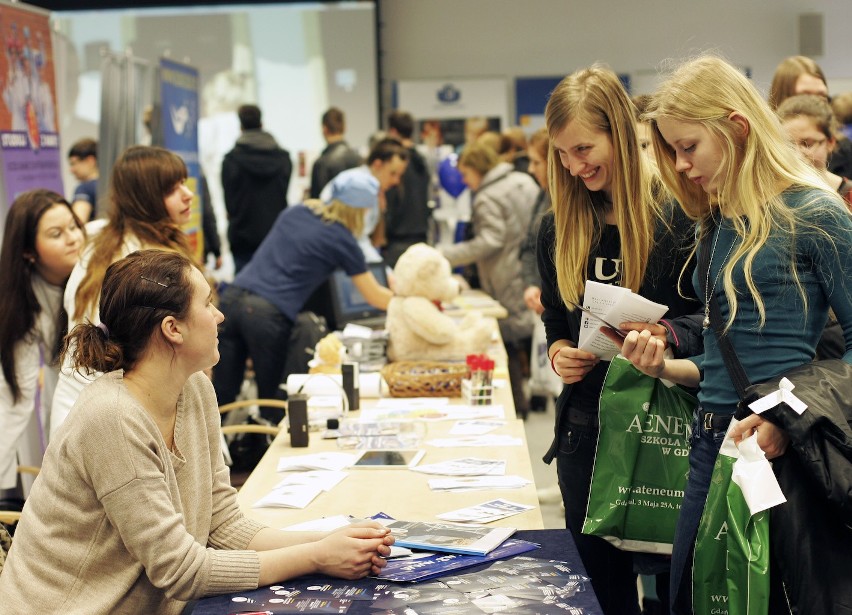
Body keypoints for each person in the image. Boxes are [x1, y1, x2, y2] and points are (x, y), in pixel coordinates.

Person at [0, 249, 394, 614]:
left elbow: (222, 525)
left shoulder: (195, 388)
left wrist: (332, 540)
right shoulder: (113, 417)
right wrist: (317, 557)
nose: (220, 315)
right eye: (206, 304)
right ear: (173, 328)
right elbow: (180, 570)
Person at [628, 55, 852, 613]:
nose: (680, 166)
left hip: (781, 452)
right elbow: (719, 353)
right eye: (672, 151)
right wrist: (664, 368)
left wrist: (786, 419)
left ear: (737, 127)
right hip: (710, 444)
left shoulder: (816, 213)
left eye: (689, 147)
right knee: (691, 597)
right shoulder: (717, 219)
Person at [537, 65, 702, 615]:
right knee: (603, 595)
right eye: (562, 154)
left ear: (622, 134)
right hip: (586, 430)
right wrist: (560, 354)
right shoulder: (559, 225)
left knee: (678, 588)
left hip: (668, 427)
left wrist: (669, 335)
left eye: (584, 148)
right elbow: (556, 325)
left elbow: (719, 321)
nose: (574, 166)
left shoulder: (680, 216)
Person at [214, 168, 393, 424]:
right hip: (267, 314)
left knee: (221, 398)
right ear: (362, 210)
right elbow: (374, 295)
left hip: (231, 300)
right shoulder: (343, 239)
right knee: (274, 403)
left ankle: (209, 458)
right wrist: (408, 303)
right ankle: (264, 455)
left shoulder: (297, 212)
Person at [50, 145, 197, 435]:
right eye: (171, 189)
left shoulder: (110, 239)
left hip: (113, 404)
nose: (187, 194)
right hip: (106, 415)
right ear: (145, 200)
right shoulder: (138, 266)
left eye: (183, 182)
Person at [439, 141, 539, 419]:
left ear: (476, 168)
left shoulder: (486, 197)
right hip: (533, 267)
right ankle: (538, 395)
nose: (463, 181)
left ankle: (518, 404)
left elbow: (490, 240)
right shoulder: (523, 181)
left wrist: (447, 255)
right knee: (534, 332)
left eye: (465, 174)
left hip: (504, 272)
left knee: (509, 339)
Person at [0, 190, 84, 492]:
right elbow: (16, 394)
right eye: (56, 234)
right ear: (28, 251)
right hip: (68, 396)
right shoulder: (22, 301)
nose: (73, 238)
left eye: (74, 226)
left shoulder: (98, 273)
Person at [221, 104, 292, 273]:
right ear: (262, 123)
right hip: (276, 235)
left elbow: (230, 204)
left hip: (243, 238)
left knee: (244, 293)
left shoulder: (231, 160)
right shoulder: (284, 158)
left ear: (241, 126)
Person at [768, 55, 852, 177]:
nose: (814, 103)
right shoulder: (763, 146)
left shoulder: (843, 150)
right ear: (782, 97)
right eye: (805, 95)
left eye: (821, 95)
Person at [777, 94, 852, 206]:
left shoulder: (848, 195)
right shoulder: (772, 196)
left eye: (808, 144)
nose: (797, 155)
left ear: (830, 142)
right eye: (789, 145)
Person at [384, 110, 432, 267]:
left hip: (396, 241)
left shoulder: (394, 163)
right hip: (422, 239)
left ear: (392, 131)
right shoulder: (421, 161)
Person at [309, 106, 362, 199]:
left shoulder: (321, 164)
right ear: (345, 127)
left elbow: (317, 204)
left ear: (324, 129)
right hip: (356, 213)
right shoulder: (359, 159)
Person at [67, 137, 99, 223]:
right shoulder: (112, 184)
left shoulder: (84, 189)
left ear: (90, 160)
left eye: (74, 163)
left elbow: (78, 222)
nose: (71, 170)